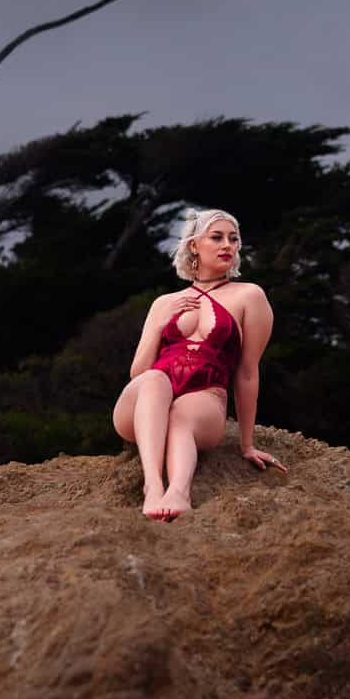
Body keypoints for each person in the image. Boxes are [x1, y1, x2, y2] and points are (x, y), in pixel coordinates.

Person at [112, 207, 287, 521]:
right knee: (153, 379)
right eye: (217, 237)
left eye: (234, 239)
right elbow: (138, 373)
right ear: (194, 245)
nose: (228, 246)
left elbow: (247, 372)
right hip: (145, 403)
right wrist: (158, 325)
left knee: (181, 416)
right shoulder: (164, 303)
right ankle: (152, 488)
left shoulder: (249, 296)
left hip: (205, 397)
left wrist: (247, 444)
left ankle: (178, 492)